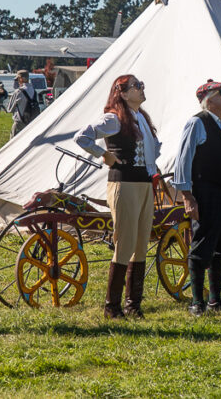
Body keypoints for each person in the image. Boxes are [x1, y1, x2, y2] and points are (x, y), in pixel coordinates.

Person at [75, 74, 160, 319]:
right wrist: (105, 155)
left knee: (142, 243)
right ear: (122, 93)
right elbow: (82, 136)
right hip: (123, 183)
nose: (142, 88)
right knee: (125, 243)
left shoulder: (141, 118)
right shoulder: (114, 119)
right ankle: (112, 306)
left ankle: (133, 305)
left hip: (143, 183)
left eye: (141, 84)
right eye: (136, 86)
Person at [171, 79, 221, 317]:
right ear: (208, 100)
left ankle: (215, 300)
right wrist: (187, 196)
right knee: (202, 245)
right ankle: (196, 302)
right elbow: (184, 159)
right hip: (206, 191)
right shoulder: (197, 123)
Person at [6, 69, 37, 138]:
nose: (17, 81)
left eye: (18, 79)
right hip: (31, 124)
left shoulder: (18, 92)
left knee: (13, 145)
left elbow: (9, 109)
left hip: (19, 124)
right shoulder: (34, 91)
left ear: (21, 79)